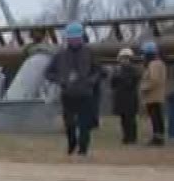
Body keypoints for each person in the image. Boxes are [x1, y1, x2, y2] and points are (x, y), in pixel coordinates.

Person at [47, 22, 103, 157]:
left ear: (82, 37)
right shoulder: (60, 55)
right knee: (70, 123)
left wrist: (91, 81)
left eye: (76, 38)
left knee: (84, 124)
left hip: (85, 94)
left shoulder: (89, 53)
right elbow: (48, 73)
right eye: (71, 38)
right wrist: (60, 80)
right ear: (67, 38)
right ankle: (71, 145)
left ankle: (83, 150)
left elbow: (100, 71)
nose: (74, 40)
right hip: (68, 94)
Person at [138, 41, 168, 146]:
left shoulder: (154, 64)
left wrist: (143, 87)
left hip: (152, 95)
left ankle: (157, 138)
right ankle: (159, 137)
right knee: (158, 117)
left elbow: (154, 79)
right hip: (157, 95)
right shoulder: (160, 63)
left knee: (155, 117)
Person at [109, 48, 141, 145]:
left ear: (130, 59)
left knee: (130, 119)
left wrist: (120, 78)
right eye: (122, 58)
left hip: (130, 97)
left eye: (126, 58)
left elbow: (131, 83)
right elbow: (112, 84)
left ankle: (132, 137)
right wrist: (115, 76)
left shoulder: (134, 70)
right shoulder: (118, 70)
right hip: (120, 97)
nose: (124, 60)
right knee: (123, 119)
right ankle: (126, 137)